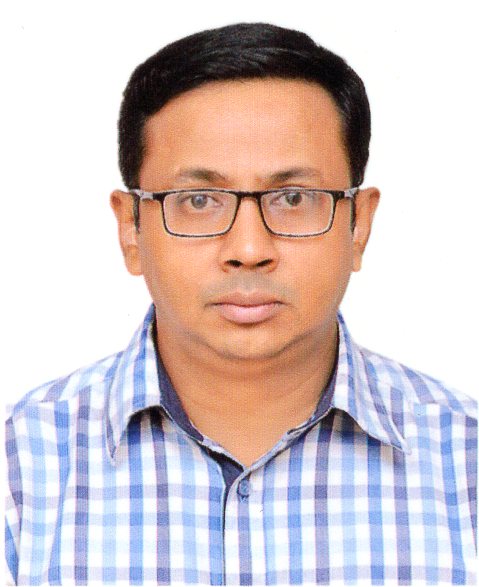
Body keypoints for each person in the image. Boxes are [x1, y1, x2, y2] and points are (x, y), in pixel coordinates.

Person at [5, 22, 477, 586]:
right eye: (198, 200)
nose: (249, 250)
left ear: (359, 225)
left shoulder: (464, 463)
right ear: (131, 229)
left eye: (294, 198)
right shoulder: (21, 470)